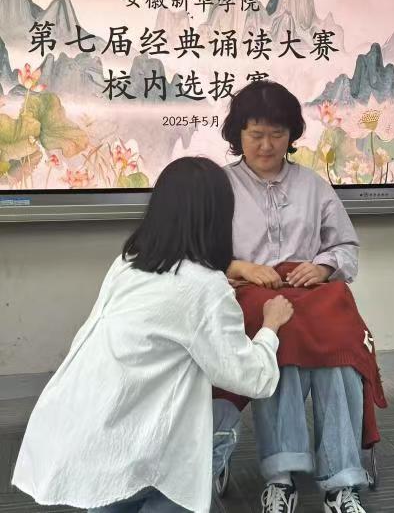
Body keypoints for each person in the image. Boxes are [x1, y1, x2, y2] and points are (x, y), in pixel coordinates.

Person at [12, 157, 294, 513]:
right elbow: (252, 378)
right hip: (131, 455)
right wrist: (271, 326)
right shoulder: (205, 289)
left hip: (74, 440)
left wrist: (217, 283)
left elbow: (172, 303)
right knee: (224, 415)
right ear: (219, 216)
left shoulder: (128, 262)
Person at [217, 81, 371, 513]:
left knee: (338, 354)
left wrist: (322, 266)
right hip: (250, 297)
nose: (267, 145)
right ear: (238, 134)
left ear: (292, 134)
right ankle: (281, 478)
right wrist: (242, 267)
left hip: (312, 295)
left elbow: (345, 246)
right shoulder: (219, 186)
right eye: (255, 134)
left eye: (277, 134)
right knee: (276, 347)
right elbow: (198, 253)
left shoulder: (313, 185)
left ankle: (341, 482)